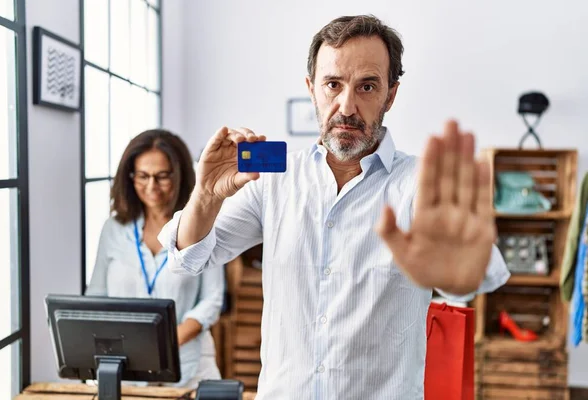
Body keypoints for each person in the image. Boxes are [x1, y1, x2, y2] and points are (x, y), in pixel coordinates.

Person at [158, 15, 511, 399]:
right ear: (312, 89)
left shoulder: (419, 184)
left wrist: (459, 267)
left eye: (367, 86)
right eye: (333, 84)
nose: (347, 106)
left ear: (390, 95)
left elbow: (481, 273)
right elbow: (187, 260)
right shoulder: (274, 176)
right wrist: (207, 195)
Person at [86, 129, 223, 389]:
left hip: (188, 363)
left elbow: (212, 299)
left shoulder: (202, 224)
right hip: (123, 365)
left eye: (162, 176)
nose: (151, 186)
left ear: (180, 175)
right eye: (142, 176)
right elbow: (97, 293)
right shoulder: (113, 229)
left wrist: (167, 341)